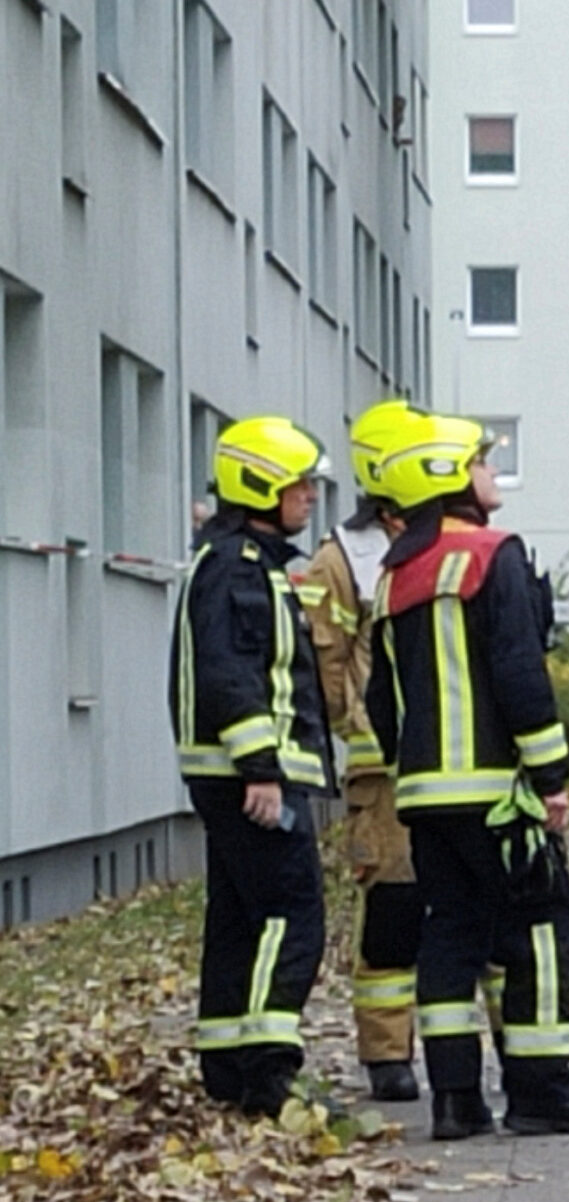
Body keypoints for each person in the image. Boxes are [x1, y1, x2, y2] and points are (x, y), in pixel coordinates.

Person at [364, 411, 569, 1141]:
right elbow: (519, 671)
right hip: (494, 794)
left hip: (424, 797)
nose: (489, 470)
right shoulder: (491, 554)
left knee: (450, 933)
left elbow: (380, 699)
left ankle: (455, 1098)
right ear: (451, 477)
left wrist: (411, 774)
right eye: (481, 461)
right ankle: (542, 1088)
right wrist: (551, 775)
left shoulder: (394, 577)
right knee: (541, 923)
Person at [167, 416, 337, 1118]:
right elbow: (230, 673)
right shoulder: (238, 567)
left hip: (230, 773)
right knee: (291, 914)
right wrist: (261, 768)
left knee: (238, 918)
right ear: (262, 488)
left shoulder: (239, 561)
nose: (309, 496)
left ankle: (228, 1063)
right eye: (299, 484)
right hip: (249, 777)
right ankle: (269, 1069)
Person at [300, 400, 424, 1103]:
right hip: (384, 775)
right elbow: (329, 664)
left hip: (458, 764)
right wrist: (360, 736)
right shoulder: (342, 559)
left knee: (482, 909)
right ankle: (386, 1054)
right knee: (393, 910)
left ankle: (504, 1052)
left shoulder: (455, 542)